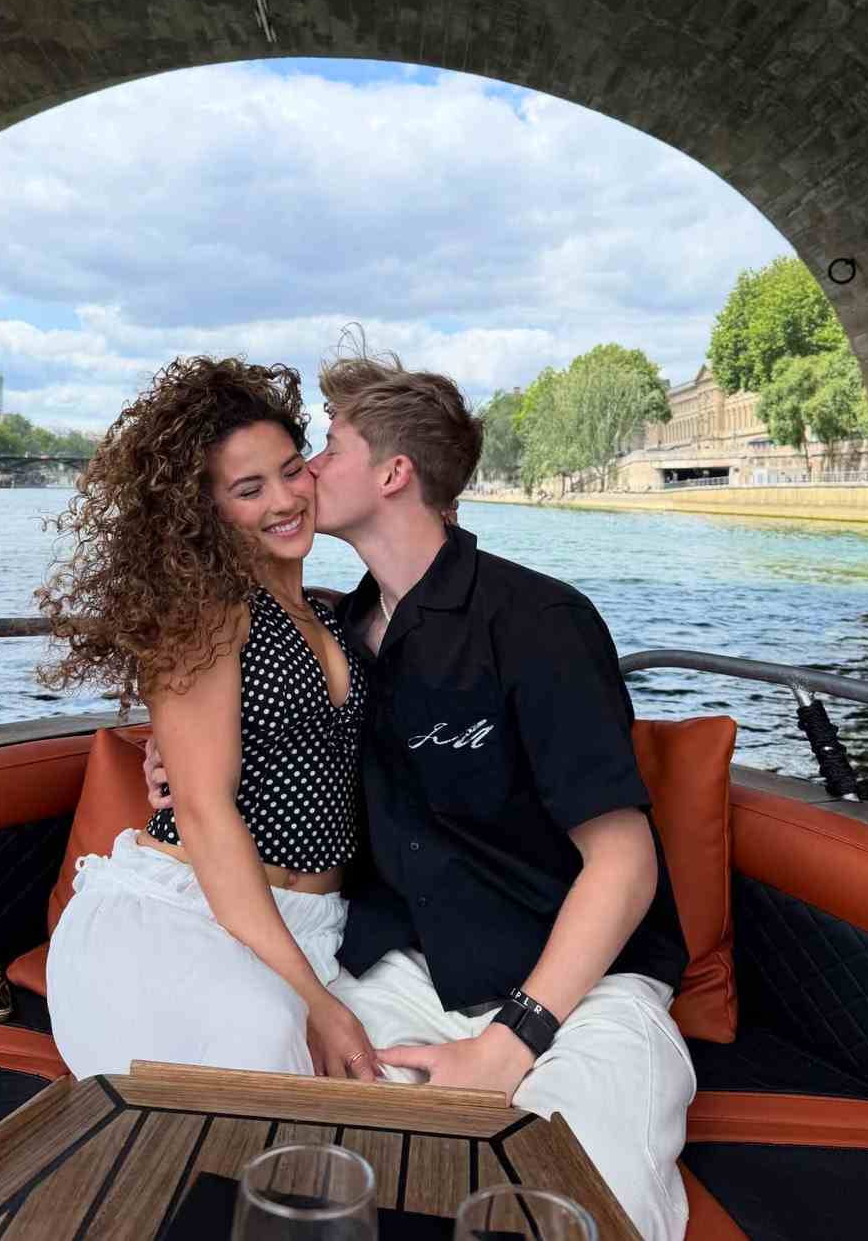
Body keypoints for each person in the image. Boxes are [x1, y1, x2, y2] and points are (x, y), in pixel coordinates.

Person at [147, 349, 695, 1241]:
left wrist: (511, 1041)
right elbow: (244, 735)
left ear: (394, 473)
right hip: (403, 972)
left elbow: (625, 859)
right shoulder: (337, 633)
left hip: (582, 986)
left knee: (580, 1194)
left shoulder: (538, 621)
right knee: (298, 1176)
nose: (303, 474)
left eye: (324, 449)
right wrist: (169, 759)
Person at [37, 356, 380, 1080]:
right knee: (260, 1062)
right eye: (249, 489)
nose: (286, 499)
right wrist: (315, 1001)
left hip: (312, 928)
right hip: (183, 919)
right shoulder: (206, 614)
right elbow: (202, 811)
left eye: (293, 470)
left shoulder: (328, 613)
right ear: (207, 509)